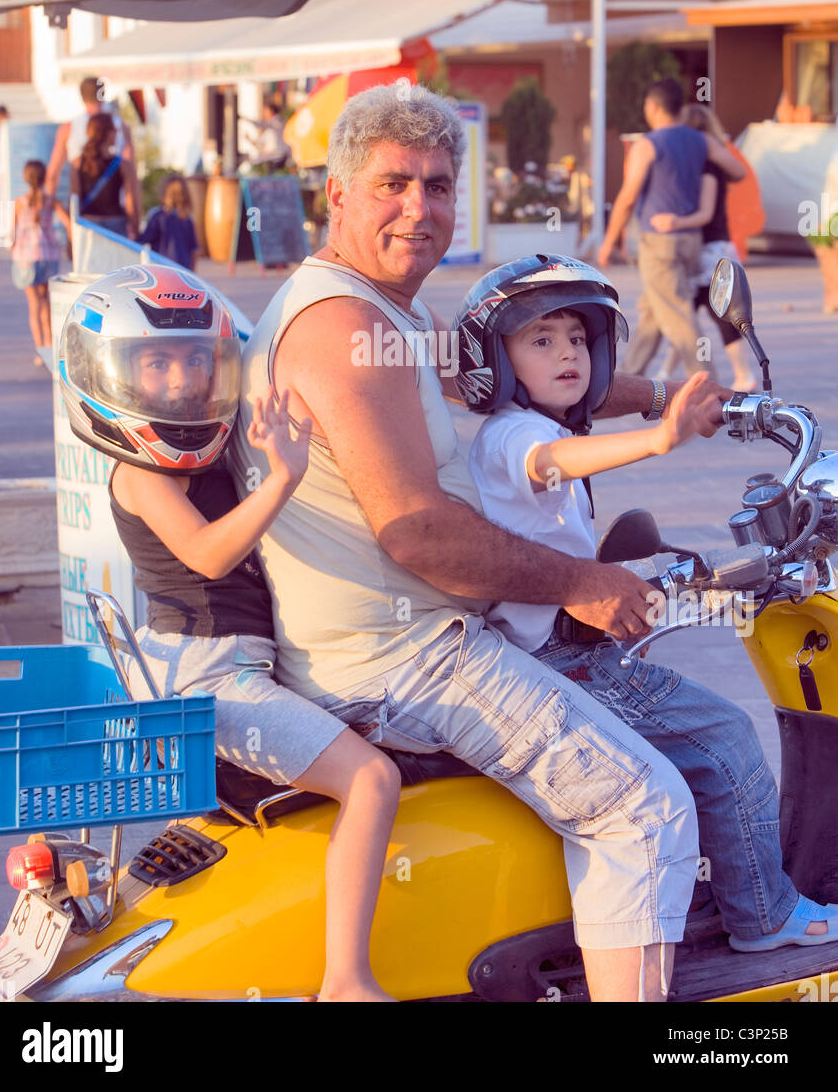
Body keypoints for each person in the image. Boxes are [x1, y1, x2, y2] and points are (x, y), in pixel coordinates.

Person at [234, 84, 719, 1002]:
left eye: (439, 186)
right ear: (336, 196)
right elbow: (416, 530)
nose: (420, 208)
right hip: (405, 659)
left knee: (674, 726)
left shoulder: (388, 314)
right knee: (644, 805)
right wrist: (581, 577)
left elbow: (510, 373)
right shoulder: (344, 328)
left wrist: (667, 400)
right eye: (393, 185)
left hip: (404, 641)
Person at [454, 253, 838, 955]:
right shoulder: (518, 435)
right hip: (564, 659)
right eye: (541, 341)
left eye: (576, 338)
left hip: (559, 638)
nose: (566, 353)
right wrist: (663, 438)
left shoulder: (547, 423)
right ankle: (764, 915)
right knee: (722, 741)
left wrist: (698, 404)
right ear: (499, 361)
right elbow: (553, 464)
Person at [58, 264, 400, 1003]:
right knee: (373, 779)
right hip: (207, 676)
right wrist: (284, 476)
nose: (179, 379)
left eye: (193, 360)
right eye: (155, 361)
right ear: (111, 374)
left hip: (217, 668)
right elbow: (210, 554)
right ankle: (348, 978)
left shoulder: (207, 450)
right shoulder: (140, 474)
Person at [597, 79, 745, 378]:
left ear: (652, 107)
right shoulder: (702, 141)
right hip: (691, 240)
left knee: (678, 316)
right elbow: (738, 171)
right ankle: (624, 378)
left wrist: (608, 241)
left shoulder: (648, 144)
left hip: (659, 242)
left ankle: (706, 387)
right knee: (654, 310)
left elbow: (627, 197)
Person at [650, 104, 756, 392]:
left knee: (708, 313)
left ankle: (743, 374)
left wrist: (673, 221)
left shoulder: (709, 167)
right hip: (703, 248)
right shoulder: (705, 163)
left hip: (711, 250)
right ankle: (665, 372)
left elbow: (706, 214)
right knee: (684, 313)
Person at [46, 77, 140, 221]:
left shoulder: (68, 129)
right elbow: (132, 177)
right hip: (116, 213)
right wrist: (135, 221)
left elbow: (52, 175)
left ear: (81, 96)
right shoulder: (120, 127)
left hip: (83, 214)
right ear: (103, 94)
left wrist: (53, 214)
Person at [11, 159, 70, 365]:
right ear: (44, 177)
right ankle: (49, 346)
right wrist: (70, 244)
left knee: (34, 305)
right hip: (49, 256)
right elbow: (68, 222)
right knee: (47, 304)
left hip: (26, 258)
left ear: (25, 179)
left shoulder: (19, 203)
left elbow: (12, 233)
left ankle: (39, 351)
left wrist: (13, 251)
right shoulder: (51, 201)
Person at [70, 112, 139, 239]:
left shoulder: (77, 164)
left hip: (88, 224)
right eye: (114, 130)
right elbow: (131, 201)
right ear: (107, 133)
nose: (116, 134)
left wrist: (71, 236)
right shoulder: (122, 164)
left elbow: (75, 200)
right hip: (115, 225)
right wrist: (135, 228)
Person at [140, 175, 199, 270]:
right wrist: (193, 272)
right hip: (183, 269)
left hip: (162, 267)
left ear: (163, 193)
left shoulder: (158, 216)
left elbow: (144, 239)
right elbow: (194, 250)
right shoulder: (187, 219)